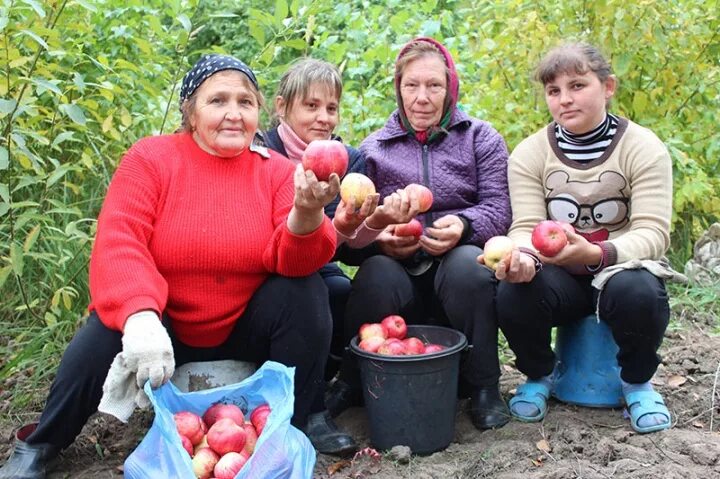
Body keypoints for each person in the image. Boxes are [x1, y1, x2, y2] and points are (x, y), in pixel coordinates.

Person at [0, 54, 357, 479]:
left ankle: (298, 420)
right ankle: (42, 442)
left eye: (245, 102)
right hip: (165, 327)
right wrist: (139, 317)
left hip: (245, 327)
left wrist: (306, 213)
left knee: (305, 291)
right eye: (218, 101)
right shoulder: (151, 159)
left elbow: (295, 261)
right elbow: (120, 240)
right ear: (190, 112)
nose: (233, 113)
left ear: (258, 111)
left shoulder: (278, 172)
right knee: (102, 332)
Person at [326, 37, 513, 431]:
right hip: (400, 282)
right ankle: (352, 380)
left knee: (468, 266)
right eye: (412, 86)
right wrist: (381, 240)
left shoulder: (481, 139)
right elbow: (352, 236)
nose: (422, 97)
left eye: (434, 86)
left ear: (451, 89)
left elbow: (500, 208)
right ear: (399, 88)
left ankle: (484, 386)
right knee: (375, 273)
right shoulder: (374, 150)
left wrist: (464, 226)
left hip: (457, 279)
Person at [486, 42, 674, 433]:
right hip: (559, 276)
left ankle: (637, 383)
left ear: (608, 87)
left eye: (577, 86)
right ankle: (540, 375)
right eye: (554, 91)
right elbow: (526, 226)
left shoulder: (643, 148)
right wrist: (521, 257)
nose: (565, 100)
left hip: (620, 270)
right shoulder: (529, 155)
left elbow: (654, 232)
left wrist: (596, 252)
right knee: (512, 291)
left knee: (641, 293)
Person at [258, 58, 418, 381]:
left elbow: (345, 250)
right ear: (281, 106)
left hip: (321, 263)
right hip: (267, 265)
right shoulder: (261, 152)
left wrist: (375, 221)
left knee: (340, 291)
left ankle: (336, 377)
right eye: (311, 105)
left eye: (331, 108)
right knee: (306, 293)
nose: (323, 118)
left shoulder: (349, 159)